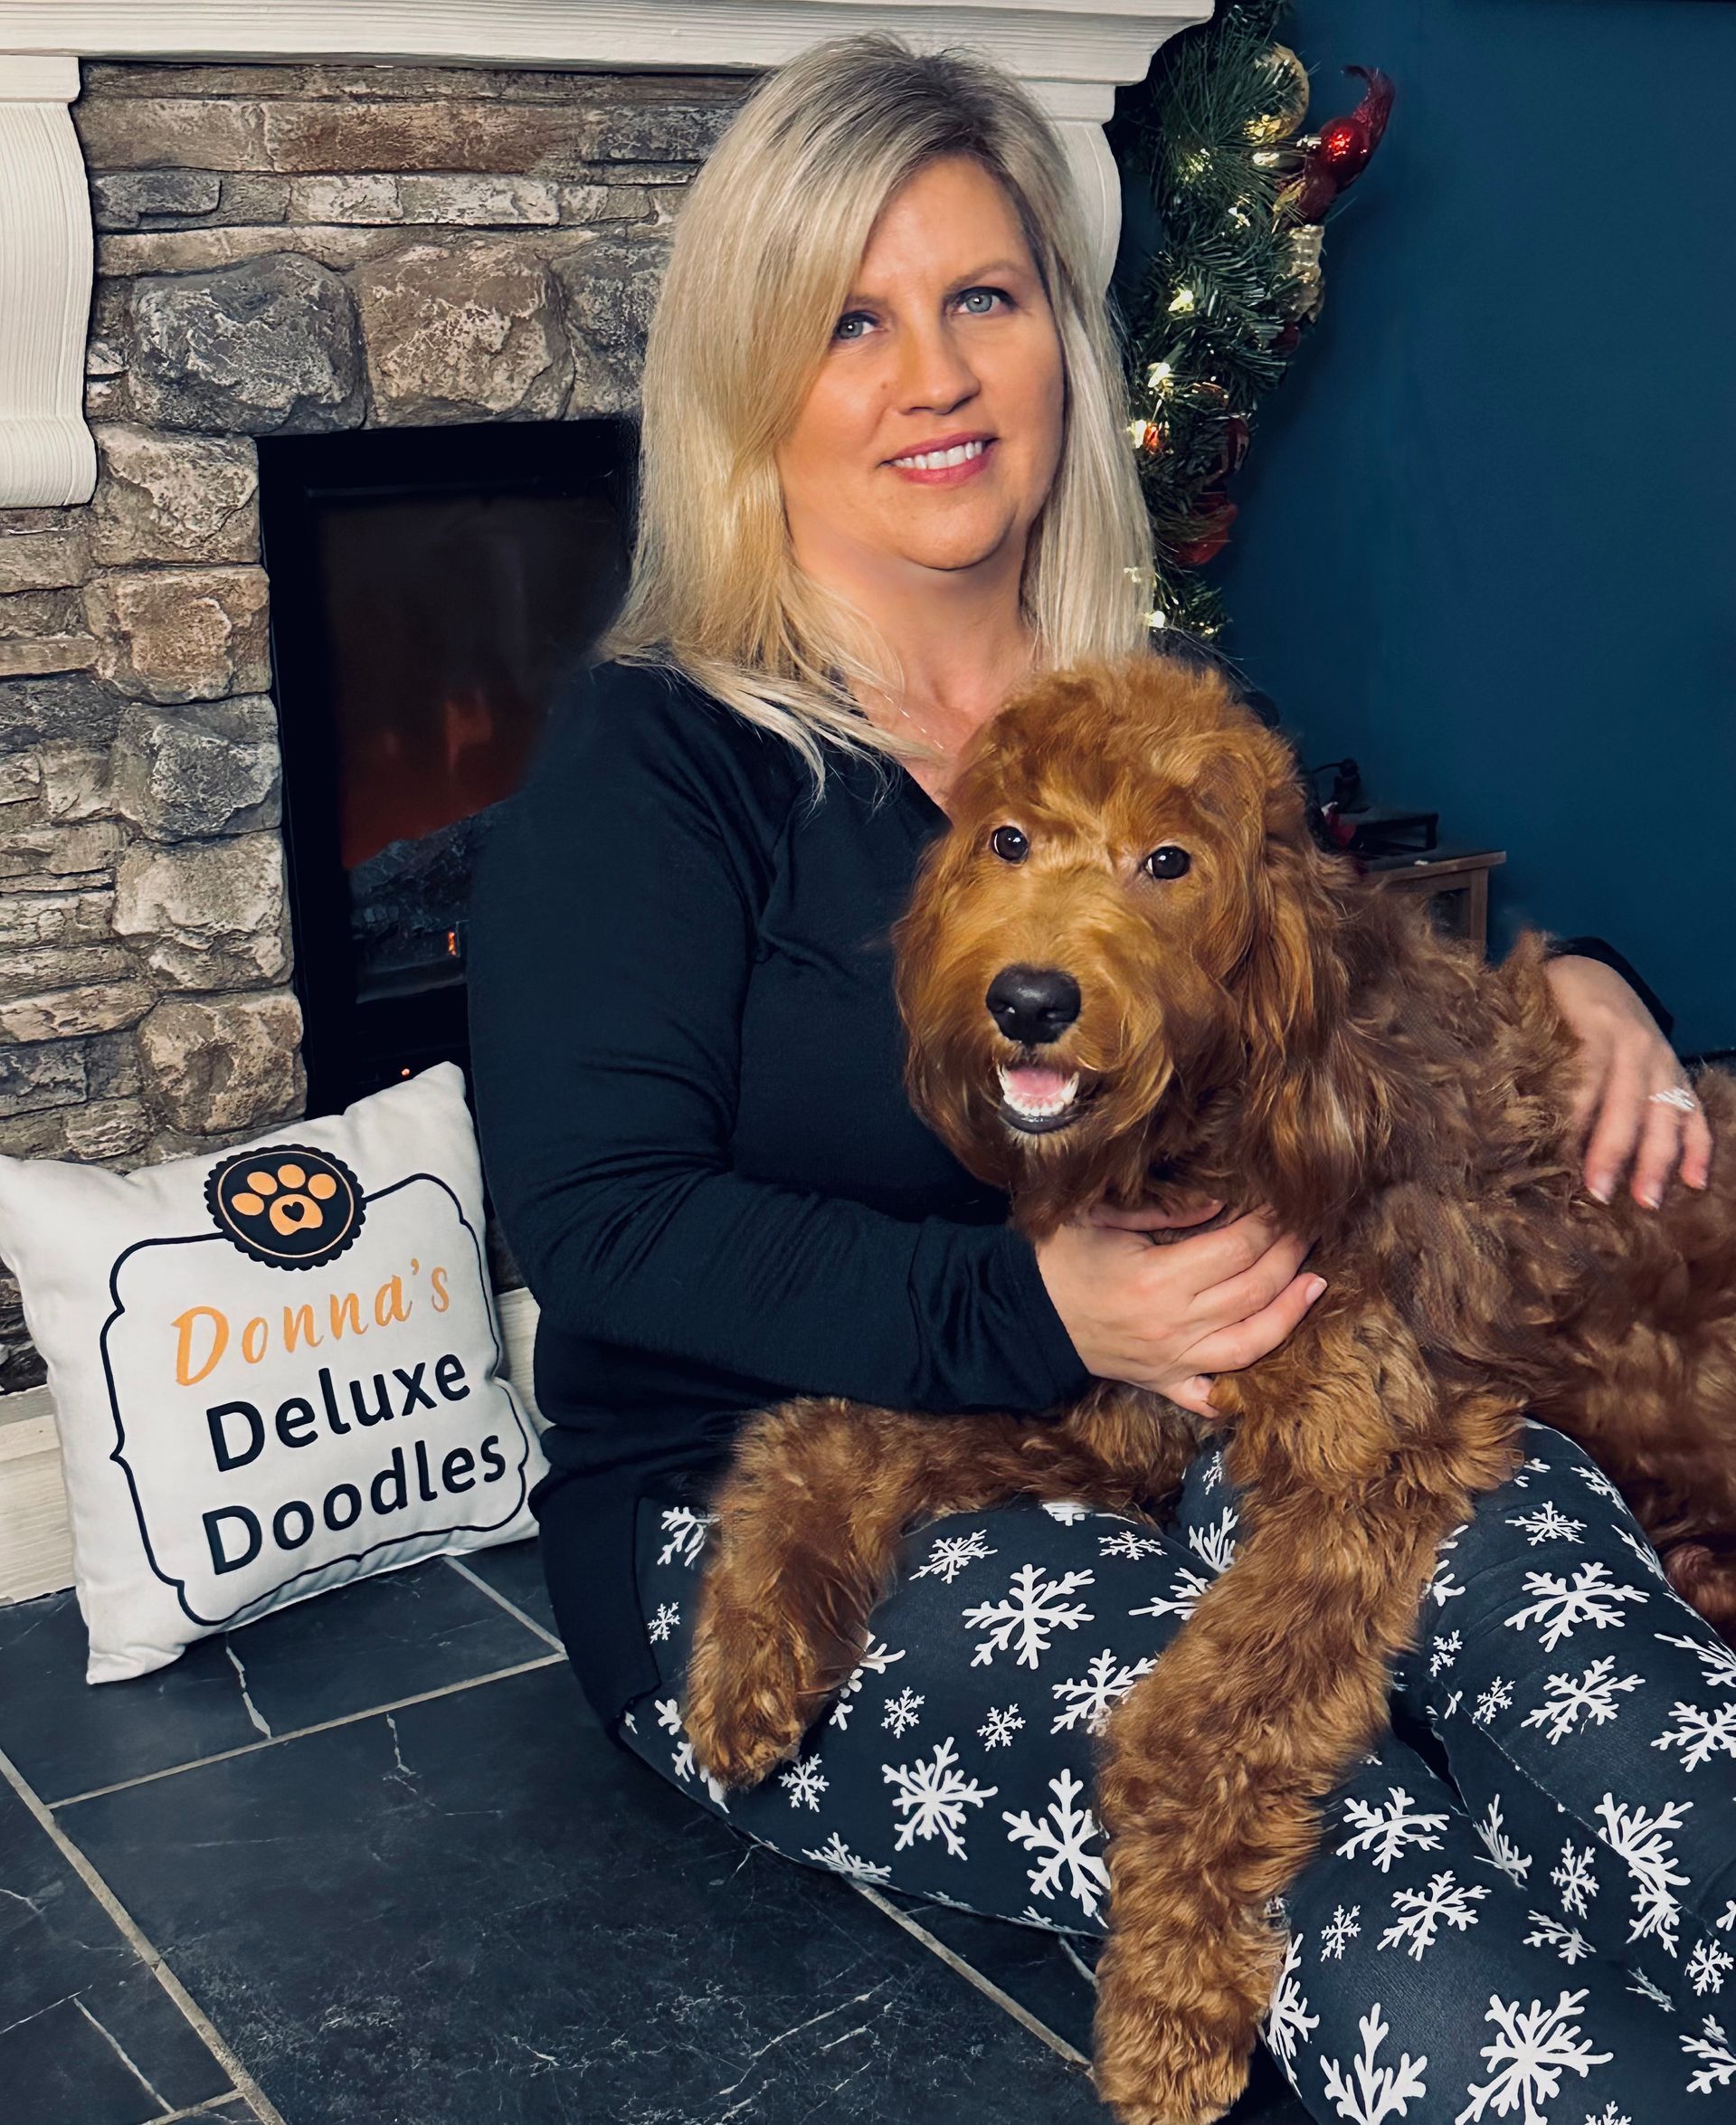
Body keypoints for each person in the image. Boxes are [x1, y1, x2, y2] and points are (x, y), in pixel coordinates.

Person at [468, 35, 1733, 2122]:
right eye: (852, 322)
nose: (938, 373)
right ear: (751, 385)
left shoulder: (1130, 720)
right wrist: (1026, 1307)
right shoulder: (657, 764)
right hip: (782, 1502)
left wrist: (1586, 978)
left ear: (1063, 342)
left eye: (984, 298)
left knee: (1592, 1672)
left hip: (1169, 1406)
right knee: (1334, 1854)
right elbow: (594, 1222)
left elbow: (1344, 980)